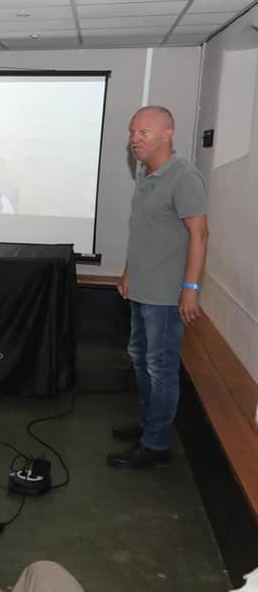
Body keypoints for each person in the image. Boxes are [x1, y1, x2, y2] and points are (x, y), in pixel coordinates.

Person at [109, 105, 208, 470]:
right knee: (141, 359)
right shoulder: (145, 174)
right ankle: (148, 424)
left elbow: (199, 233)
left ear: (168, 134)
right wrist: (127, 272)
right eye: (132, 132)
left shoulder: (184, 177)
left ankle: (156, 445)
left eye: (144, 132)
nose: (135, 139)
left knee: (160, 367)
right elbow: (143, 229)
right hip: (141, 287)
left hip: (166, 295)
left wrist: (191, 288)